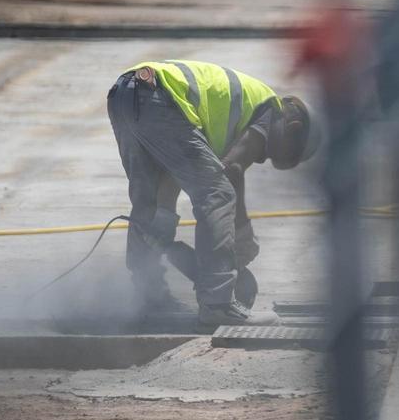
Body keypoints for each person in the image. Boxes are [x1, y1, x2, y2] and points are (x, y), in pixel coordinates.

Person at [107, 59, 319, 328]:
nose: (263, 159)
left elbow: (171, 179)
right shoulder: (270, 110)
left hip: (124, 93)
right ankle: (218, 303)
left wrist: (164, 229)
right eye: (274, 155)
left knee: (150, 202)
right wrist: (242, 231)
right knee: (218, 193)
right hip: (159, 97)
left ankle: (149, 297)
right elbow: (232, 169)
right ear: (294, 127)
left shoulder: (231, 115)